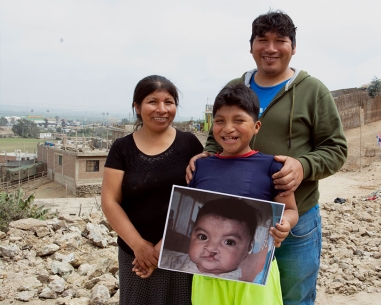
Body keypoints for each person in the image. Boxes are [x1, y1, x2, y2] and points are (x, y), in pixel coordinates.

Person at [187, 10, 348, 305]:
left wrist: (303, 166)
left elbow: (336, 148)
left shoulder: (313, 91)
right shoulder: (235, 87)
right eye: (263, 40)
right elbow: (215, 136)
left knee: (293, 295)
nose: (270, 48)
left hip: (292, 217)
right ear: (251, 47)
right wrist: (205, 157)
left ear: (293, 47)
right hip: (231, 222)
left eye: (280, 40)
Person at [188, 83, 299, 305]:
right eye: (220, 121)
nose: (228, 128)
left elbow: (291, 210)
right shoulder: (201, 167)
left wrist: (284, 224)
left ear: (257, 126)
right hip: (207, 278)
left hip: (256, 277)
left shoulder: (273, 167)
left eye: (238, 120)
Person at [101, 75, 204, 304]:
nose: (162, 109)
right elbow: (110, 201)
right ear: (137, 107)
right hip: (136, 256)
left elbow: (198, 198)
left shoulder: (189, 144)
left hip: (181, 252)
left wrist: (162, 248)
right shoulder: (122, 148)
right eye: (152, 102)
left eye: (169, 102)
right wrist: (140, 247)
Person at [160, 198, 259, 281]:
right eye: (203, 237)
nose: (211, 248)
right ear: (192, 235)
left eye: (229, 242)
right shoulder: (174, 260)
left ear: (247, 250)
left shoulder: (237, 284)